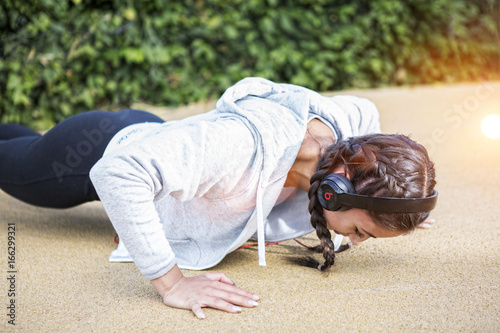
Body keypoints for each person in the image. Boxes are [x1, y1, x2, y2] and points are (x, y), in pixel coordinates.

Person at [0, 77, 436, 319]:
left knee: (19, 142)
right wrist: (172, 283)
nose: (355, 242)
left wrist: (394, 211)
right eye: (360, 231)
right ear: (335, 189)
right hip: (94, 154)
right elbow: (119, 173)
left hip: (164, 140)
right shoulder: (241, 146)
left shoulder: (350, 130)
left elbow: (368, 118)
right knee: (14, 165)